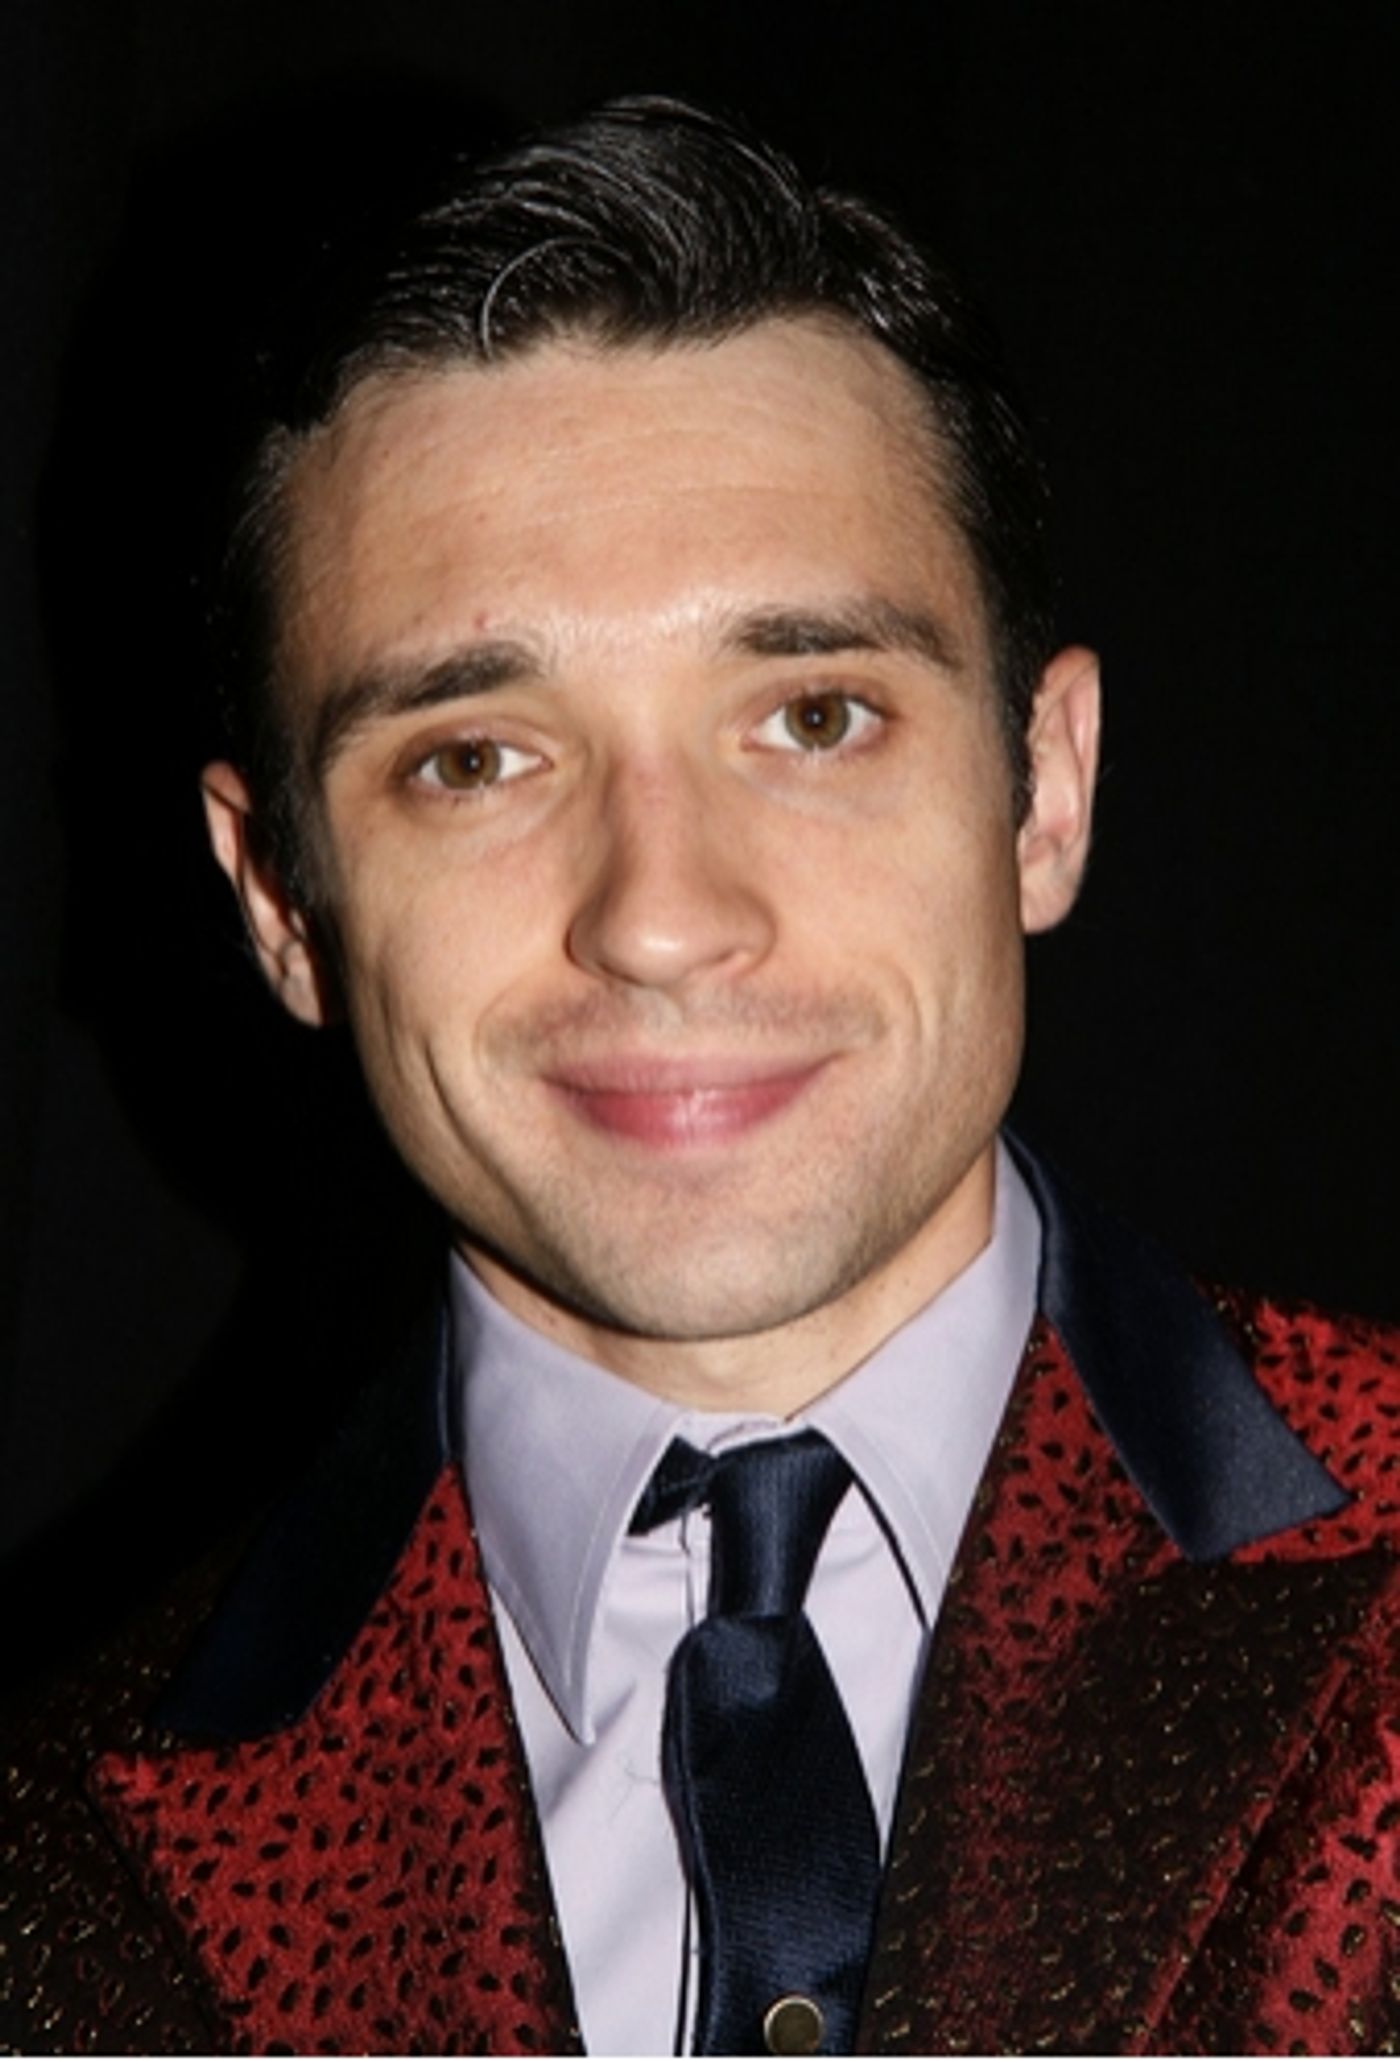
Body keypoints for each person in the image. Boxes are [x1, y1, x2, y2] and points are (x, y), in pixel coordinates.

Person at [1, 94, 1396, 2060]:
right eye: (475, 758)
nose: (661, 918)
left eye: (812, 717)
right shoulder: (47, 1888)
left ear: (1044, 790)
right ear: (280, 903)